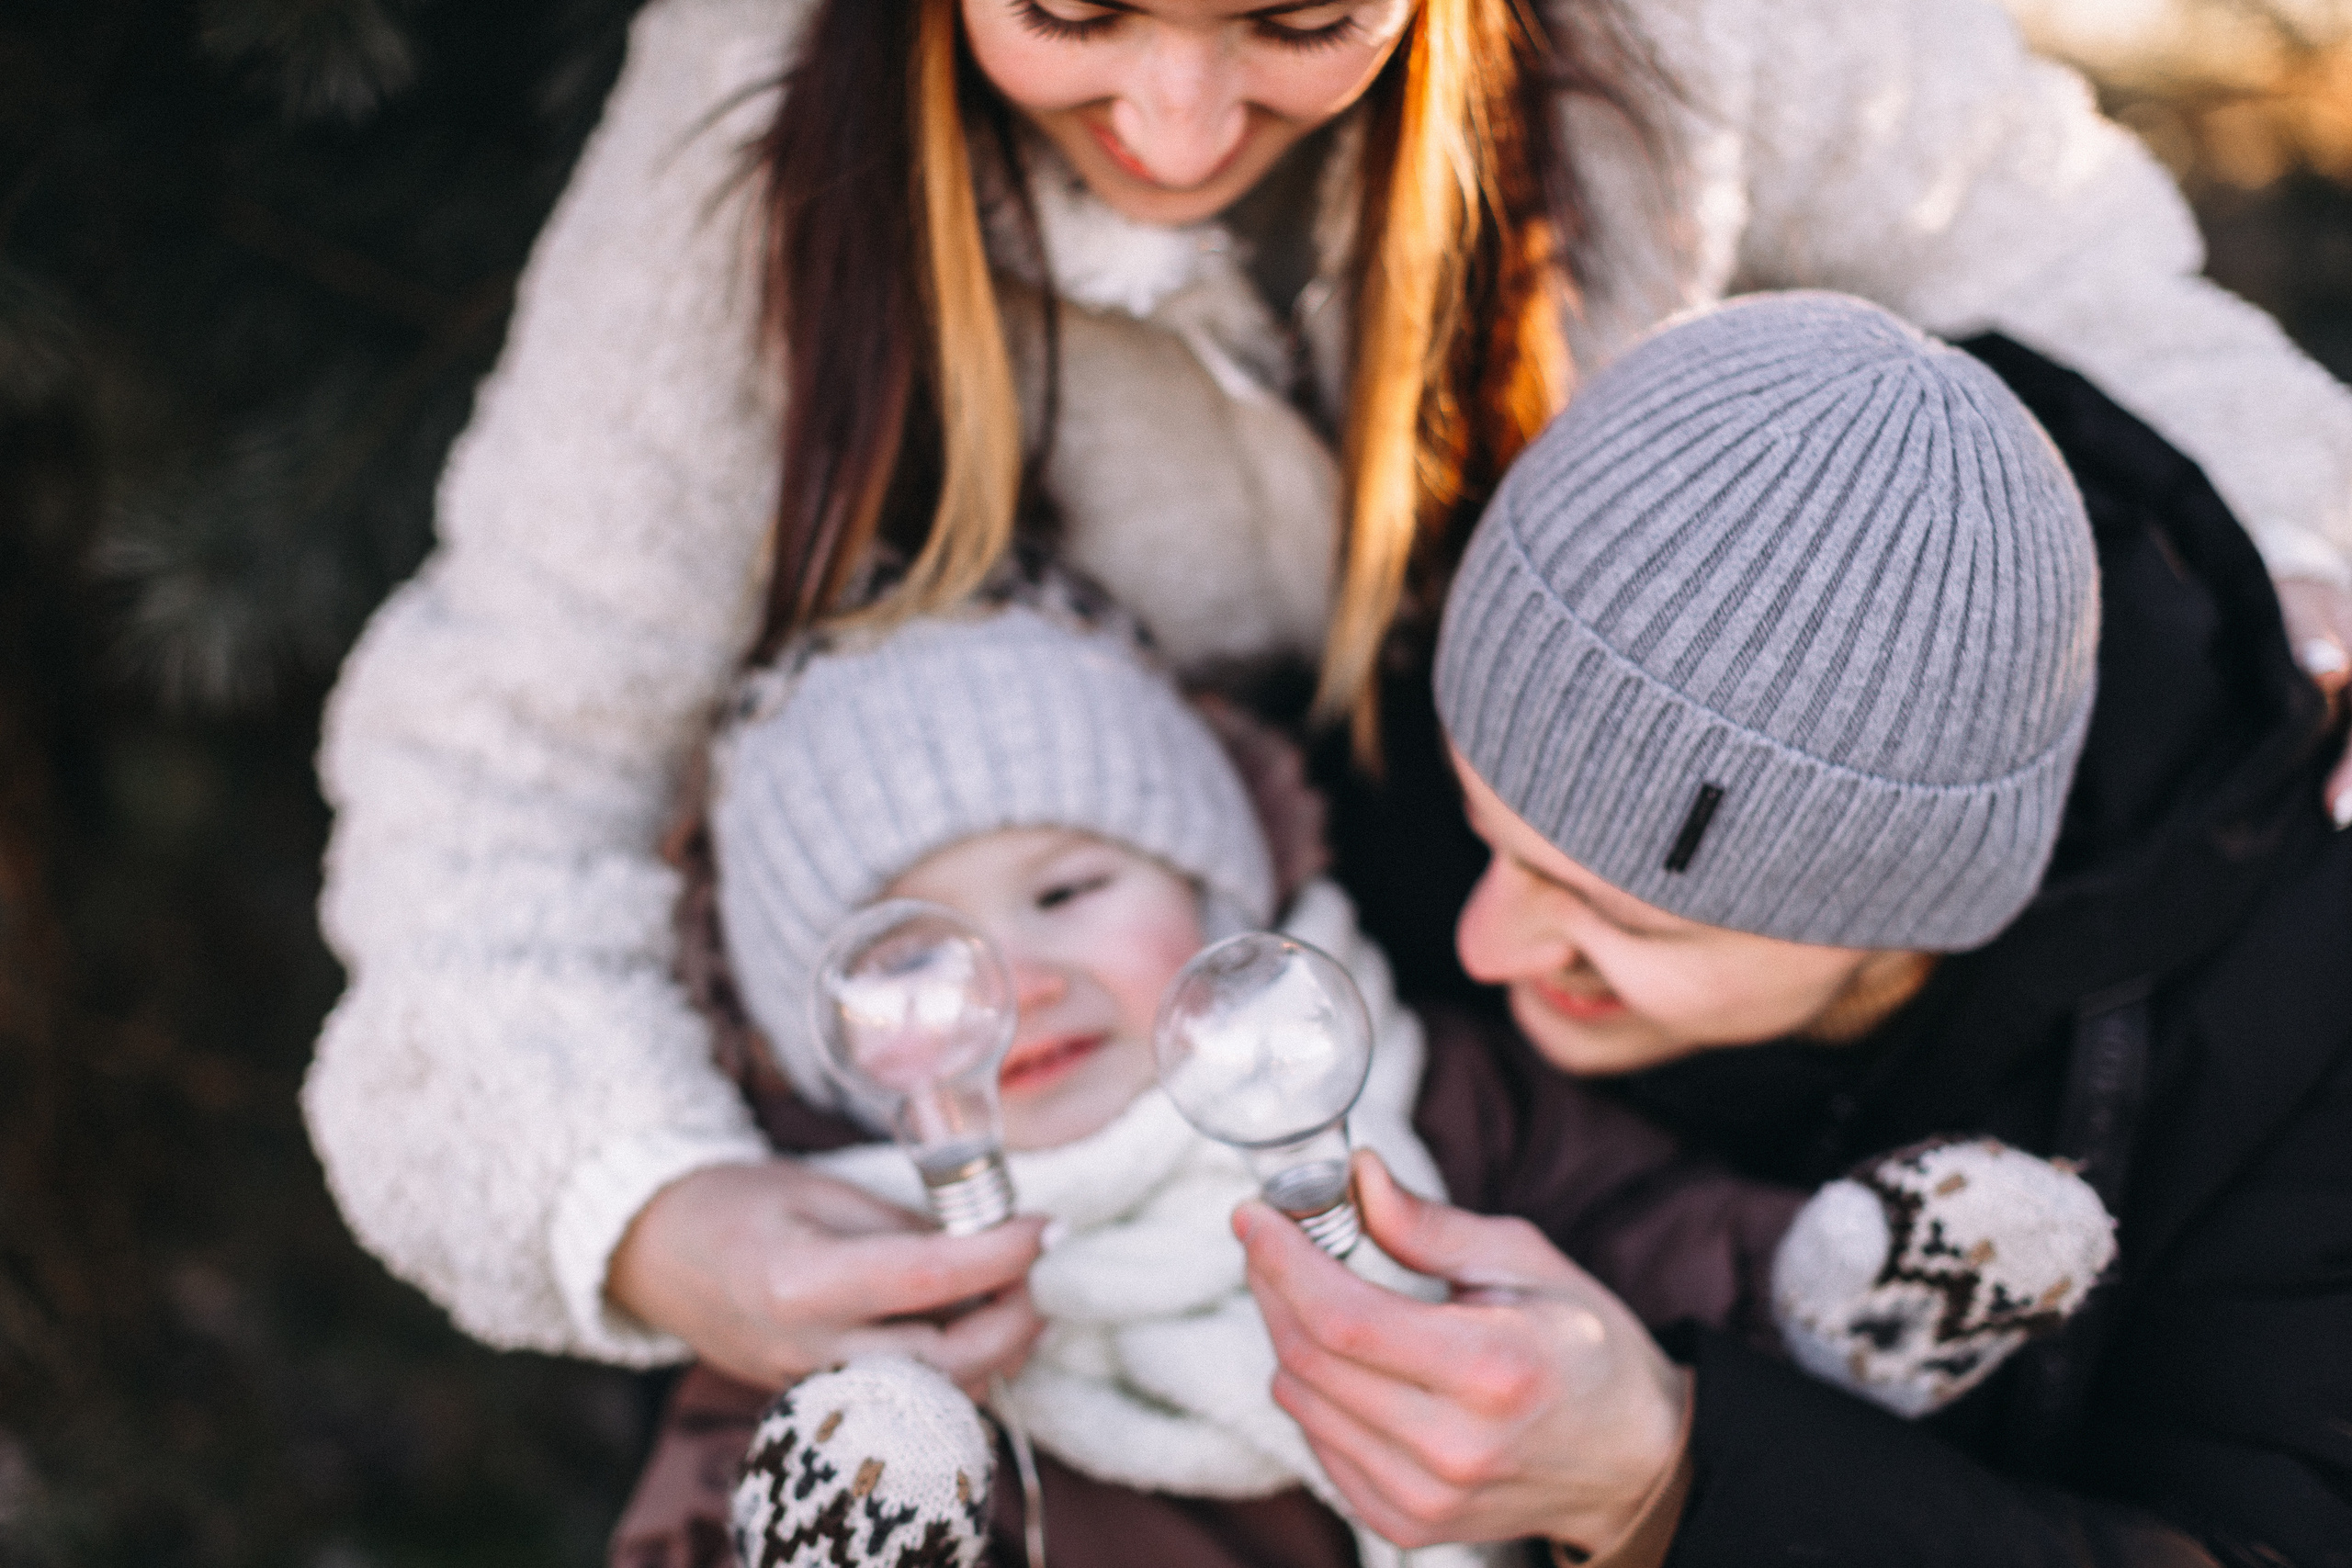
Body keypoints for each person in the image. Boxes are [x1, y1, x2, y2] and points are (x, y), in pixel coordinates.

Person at [302, 0, 2352, 1419]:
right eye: (1072, 13)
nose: (1177, 130)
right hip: (1105, 1075)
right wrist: (639, 1209)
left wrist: (2292, 600)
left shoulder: (1700, 34)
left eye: (1298, 19)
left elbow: (2066, 291)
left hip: (1556, 1015)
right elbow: (502, 759)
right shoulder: (750, 126)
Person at [616, 578, 2112, 1568]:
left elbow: (1627, 1213)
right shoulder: (846, 1258)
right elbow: (703, 1486)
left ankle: (1863, 1298)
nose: (1023, 986)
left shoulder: (1394, 1093)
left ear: (1218, 891)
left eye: (1070, 893)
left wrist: (1790, 1284)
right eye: (924, 964)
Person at [1238, 291, 2352, 1563]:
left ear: (1911, 911)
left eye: (1619, 920)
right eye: (1491, 832)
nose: (1487, 945)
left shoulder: (2300, 1037)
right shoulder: (1390, 781)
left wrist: (1665, 1480)